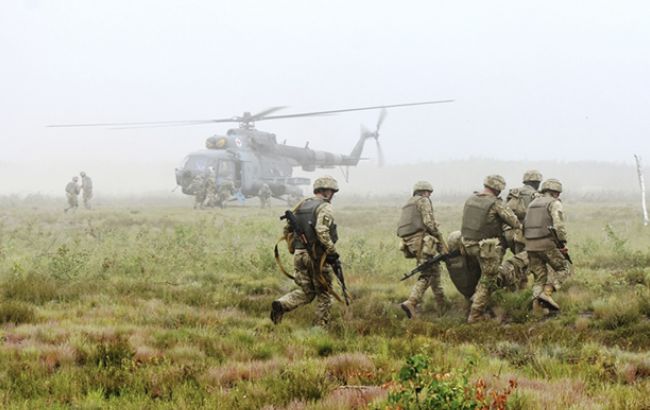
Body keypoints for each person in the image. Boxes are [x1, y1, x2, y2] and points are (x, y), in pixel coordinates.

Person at [271, 176, 340, 326]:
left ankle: (281, 304)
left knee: (307, 292)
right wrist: (332, 252)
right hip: (316, 257)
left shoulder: (301, 205)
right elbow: (322, 231)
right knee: (324, 294)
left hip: (299, 255)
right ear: (325, 191)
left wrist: (295, 248)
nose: (333, 194)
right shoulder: (324, 207)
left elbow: (287, 230)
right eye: (332, 191)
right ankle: (320, 329)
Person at [461, 175, 522, 323]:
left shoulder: (470, 199)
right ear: (499, 189)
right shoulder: (496, 203)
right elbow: (514, 221)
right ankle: (475, 315)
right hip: (486, 247)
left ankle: (472, 302)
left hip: (466, 244)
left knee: (479, 276)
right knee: (488, 279)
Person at [398, 181, 448, 319]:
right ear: (424, 192)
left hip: (411, 243)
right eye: (429, 193)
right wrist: (441, 242)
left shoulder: (409, 203)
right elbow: (429, 223)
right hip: (422, 242)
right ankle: (411, 302)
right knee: (427, 274)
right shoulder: (423, 201)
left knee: (435, 272)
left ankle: (442, 308)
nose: (429, 195)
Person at [524, 178, 570, 313]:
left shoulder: (532, 204)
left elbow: (524, 225)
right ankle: (547, 293)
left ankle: (536, 309)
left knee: (539, 277)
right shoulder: (554, 203)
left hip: (530, 245)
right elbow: (559, 225)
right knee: (563, 268)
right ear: (556, 192)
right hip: (547, 243)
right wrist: (562, 243)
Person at [504, 170, 542, 253]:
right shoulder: (536, 195)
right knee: (525, 261)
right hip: (524, 233)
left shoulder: (514, 192)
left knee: (517, 259)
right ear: (537, 183)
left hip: (508, 232)